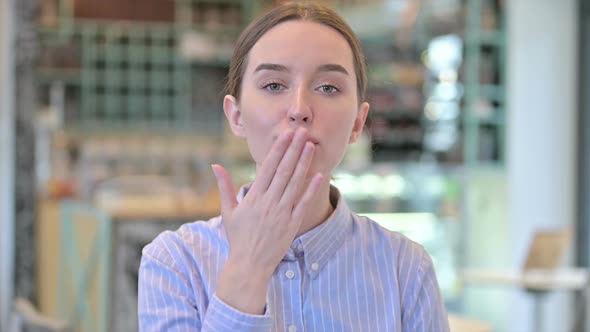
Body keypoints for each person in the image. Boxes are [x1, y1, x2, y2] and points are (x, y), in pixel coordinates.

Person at [138, 2, 449, 331]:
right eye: (273, 85)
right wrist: (248, 269)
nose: (299, 109)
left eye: (328, 87)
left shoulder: (407, 270)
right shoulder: (174, 263)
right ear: (236, 116)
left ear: (358, 122)